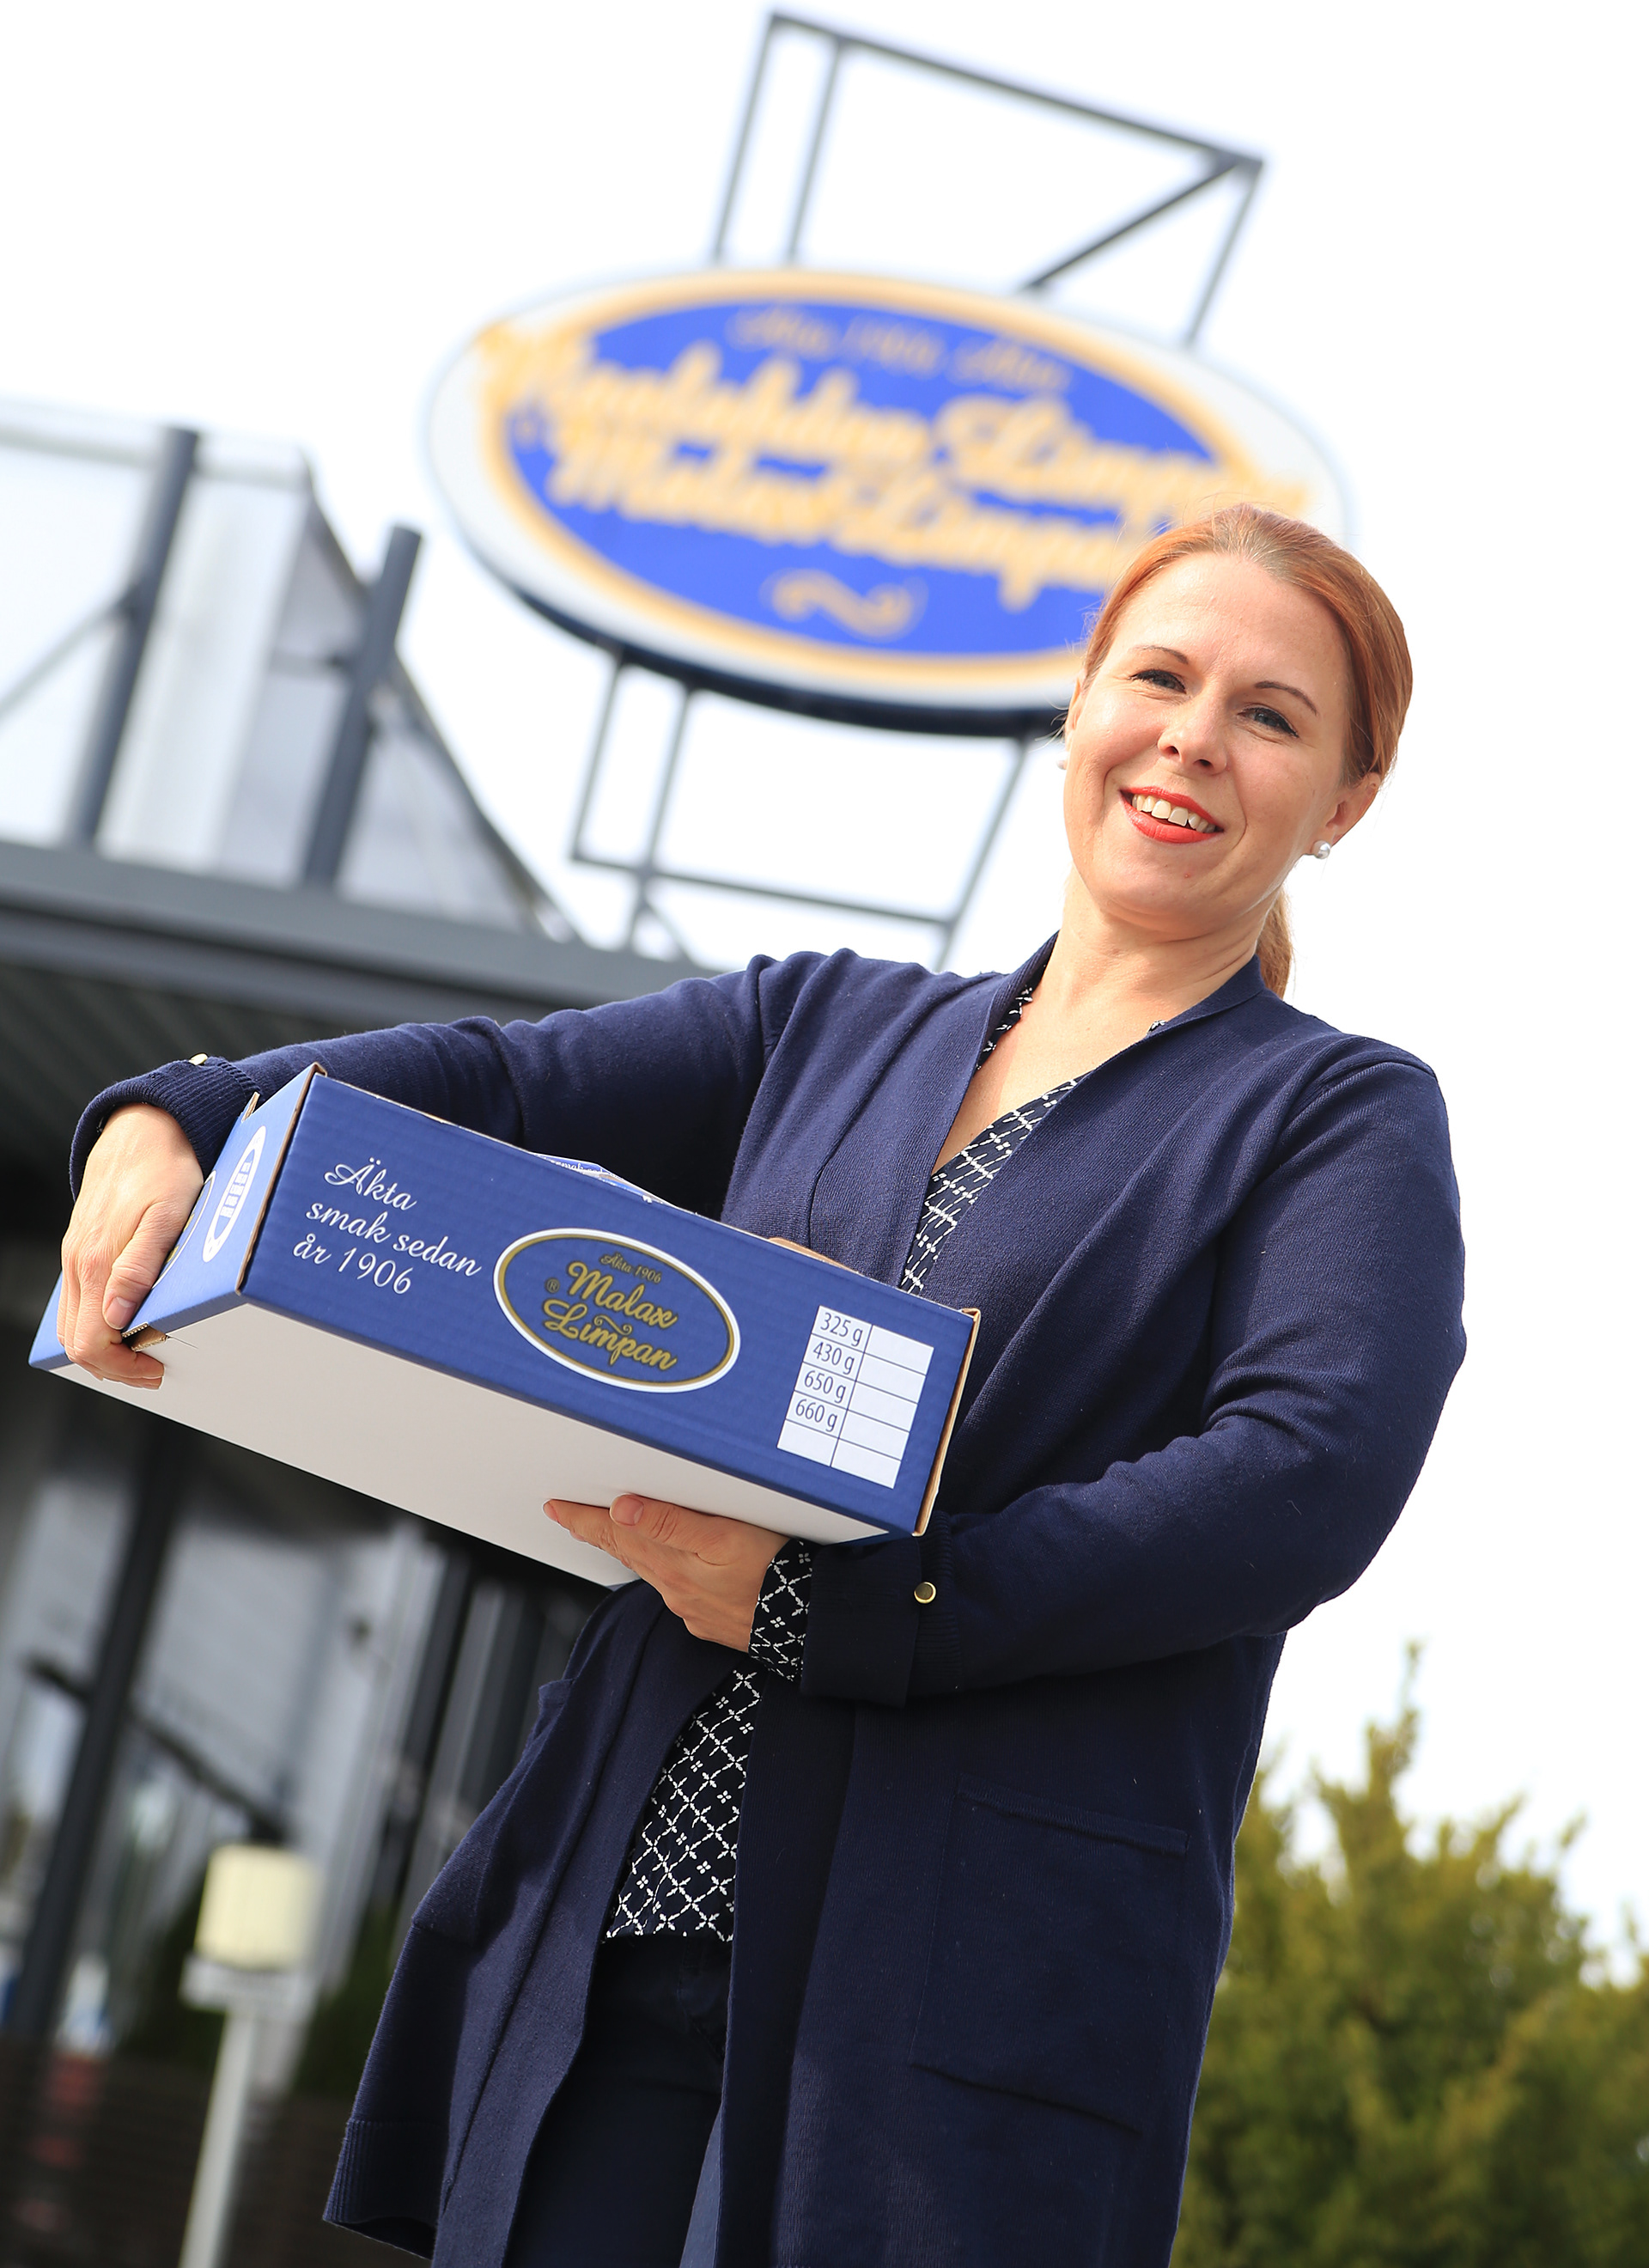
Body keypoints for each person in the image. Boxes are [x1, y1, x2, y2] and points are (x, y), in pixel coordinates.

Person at [57, 505, 1466, 2268]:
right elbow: (502, 1083)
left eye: (1270, 716)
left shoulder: (1338, 1117)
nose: (1193, 737)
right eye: (1160, 679)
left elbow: (1304, 1474)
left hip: (950, 2008)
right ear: (1079, 709)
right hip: (620, 1944)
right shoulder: (825, 1024)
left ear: (1344, 801)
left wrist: (852, 1609)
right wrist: (185, 1115)